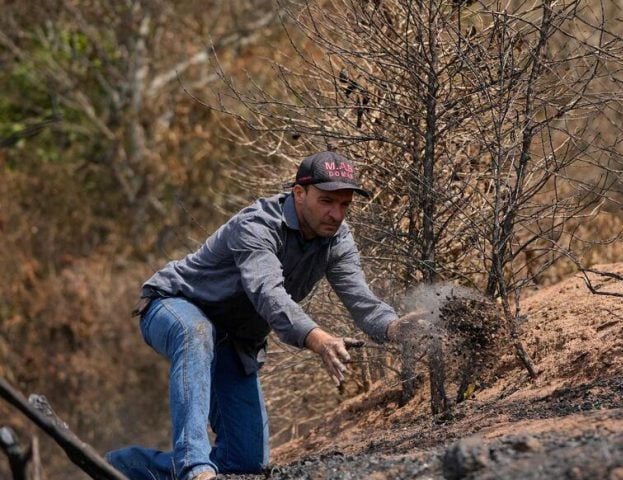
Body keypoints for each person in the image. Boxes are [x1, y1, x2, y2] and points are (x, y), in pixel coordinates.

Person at [106, 151, 418, 480]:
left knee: (246, 462)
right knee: (195, 331)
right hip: (173, 305)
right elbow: (267, 293)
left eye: (344, 205)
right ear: (299, 193)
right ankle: (194, 467)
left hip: (234, 340)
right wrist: (318, 338)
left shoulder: (337, 238)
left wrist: (395, 327)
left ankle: (127, 468)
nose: (336, 214)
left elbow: (360, 298)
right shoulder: (257, 225)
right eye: (327, 201)